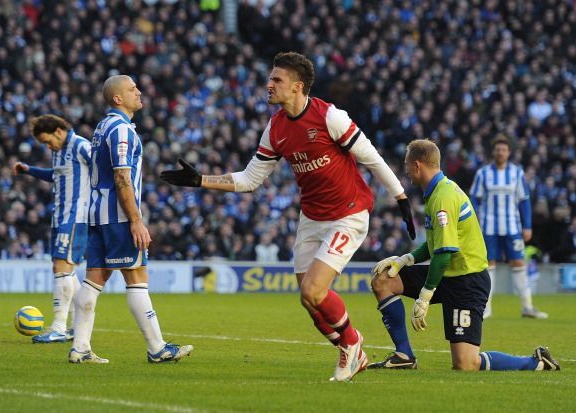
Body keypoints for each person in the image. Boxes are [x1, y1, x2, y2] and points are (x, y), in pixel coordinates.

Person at [160, 51, 416, 381]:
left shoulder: (330, 117)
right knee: (309, 302)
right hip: (311, 217)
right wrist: (201, 181)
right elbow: (250, 179)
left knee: (314, 290)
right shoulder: (276, 127)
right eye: (270, 78)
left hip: (348, 214)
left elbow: (372, 158)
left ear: (297, 87)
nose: (268, 85)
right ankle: (354, 352)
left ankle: (352, 343)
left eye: (276, 80)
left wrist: (401, 198)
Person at [368, 139, 559, 371]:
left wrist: (424, 297)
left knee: (466, 363)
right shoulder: (436, 191)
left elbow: (445, 252)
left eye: (407, 165)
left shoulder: (443, 197)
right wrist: (405, 259)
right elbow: (436, 244)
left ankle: (536, 362)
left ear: (418, 165)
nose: (406, 171)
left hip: (467, 281)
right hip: (447, 272)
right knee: (383, 280)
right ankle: (404, 354)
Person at [69, 75, 193, 363]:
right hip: (118, 217)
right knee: (137, 279)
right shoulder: (121, 130)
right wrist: (136, 220)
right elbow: (122, 176)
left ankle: (80, 348)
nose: (138, 92)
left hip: (97, 215)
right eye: (132, 89)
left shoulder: (102, 127)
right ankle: (157, 348)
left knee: (93, 280)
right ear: (117, 99)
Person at [13, 115, 89, 343]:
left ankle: (58, 327)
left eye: (48, 141)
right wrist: (29, 170)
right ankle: (76, 325)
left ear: (58, 131)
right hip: (60, 216)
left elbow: (104, 171)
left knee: (61, 266)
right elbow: (56, 175)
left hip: (76, 216)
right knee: (66, 268)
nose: (48, 146)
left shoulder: (81, 146)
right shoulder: (59, 151)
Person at [469, 135, 547, 319]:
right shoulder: (483, 173)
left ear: (509, 152)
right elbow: (474, 199)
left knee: (519, 263)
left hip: (512, 227)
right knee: (488, 265)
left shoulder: (517, 173)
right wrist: (475, 221)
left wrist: (527, 226)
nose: (500, 152)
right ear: (493, 152)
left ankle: (527, 307)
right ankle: (486, 308)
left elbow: (524, 201)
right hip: (488, 228)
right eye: (497, 149)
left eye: (503, 149)